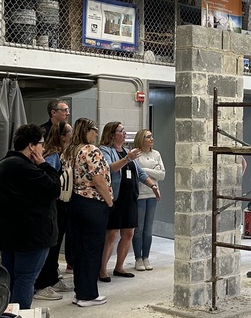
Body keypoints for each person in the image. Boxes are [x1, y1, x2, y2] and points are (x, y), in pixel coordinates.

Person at [0, 124, 60, 310]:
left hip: (8, 236)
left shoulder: (2, 165)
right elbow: (54, 188)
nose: (43, 149)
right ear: (32, 146)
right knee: (26, 279)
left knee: (11, 278)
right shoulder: (25, 168)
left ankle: (7, 316)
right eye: (41, 144)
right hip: (30, 237)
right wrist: (44, 163)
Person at [99, 121, 159, 281]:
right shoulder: (105, 150)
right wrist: (127, 158)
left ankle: (119, 267)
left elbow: (139, 173)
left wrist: (152, 185)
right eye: (121, 131)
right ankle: (102, 269)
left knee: (128, 233)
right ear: (112, 134)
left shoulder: (127, 151)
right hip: (115, 199)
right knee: (111, 235)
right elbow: (110, 169)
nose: (124, 133)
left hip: (130, 199)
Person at [64, 118, 113, 307]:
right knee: (92, 249)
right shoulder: (91, 150)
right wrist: (109, 202)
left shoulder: (70, 150)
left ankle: (80, 291)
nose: (96, 133)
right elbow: (99, 180)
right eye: (94, 130)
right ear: (87, 131)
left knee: (80, 249)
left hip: (74, 203)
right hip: (93, 203)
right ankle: (88, 295)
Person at [33, 121, 73, 301]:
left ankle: (52, 278)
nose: (73, 134)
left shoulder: (63, 153)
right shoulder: (53, 155)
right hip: (54, 205)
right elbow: (47, 179)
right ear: (63, 136)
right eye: (70, 131)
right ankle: (42, 284)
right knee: (51, 245)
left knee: (56, 245)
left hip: (62, 204)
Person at [132, 128, 165, 271]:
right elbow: (135, 173)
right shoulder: (136, 154)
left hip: (152, 194)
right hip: (139, 195)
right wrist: (152, 171)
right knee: (138, 229)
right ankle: (138, 259)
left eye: (152, 136)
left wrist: (144, 170)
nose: (151, 139)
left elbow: (162, 175)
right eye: (148, 137)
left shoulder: (156, 154)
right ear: (141, 139)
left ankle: (146, 257)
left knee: (148, 229)